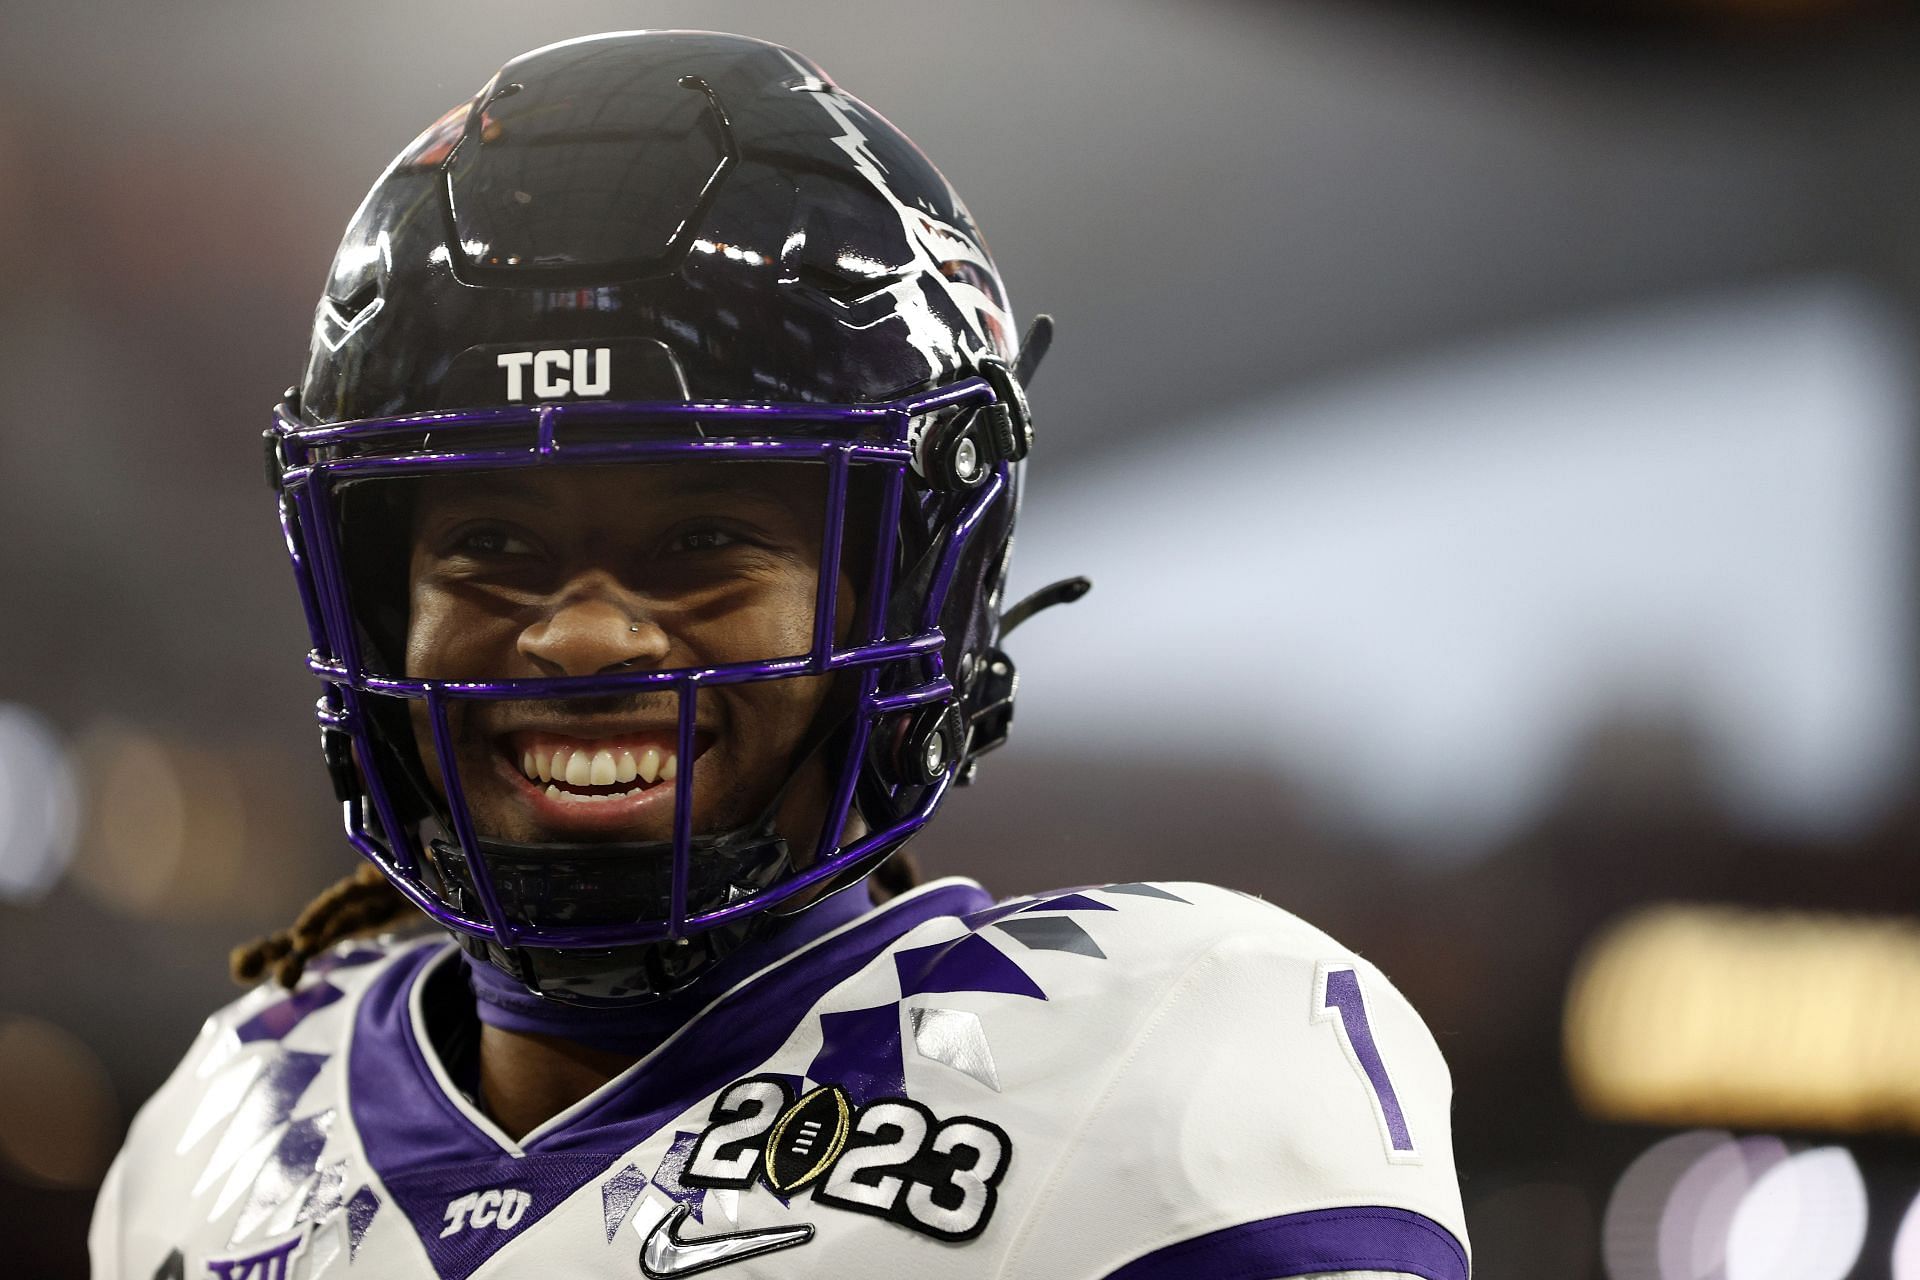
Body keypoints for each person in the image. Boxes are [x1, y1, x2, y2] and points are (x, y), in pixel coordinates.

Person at [89, 30, 1469, 1280]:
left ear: (916, 591)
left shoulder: (1162, 1064)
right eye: (493, 546)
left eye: (700, 538)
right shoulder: (218, 1133)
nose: (579, 634)